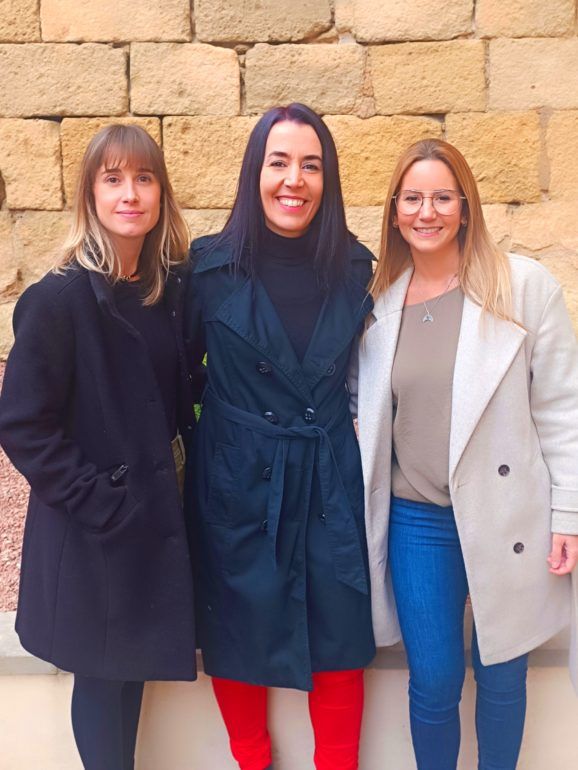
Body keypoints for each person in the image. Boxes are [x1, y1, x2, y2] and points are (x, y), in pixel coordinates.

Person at [350, 137, 578, 769]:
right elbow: (361, 402)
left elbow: (562, 408)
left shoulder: (522, 286)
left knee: (502, 669)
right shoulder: (378, 305)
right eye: (412, 198)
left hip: (509, 513)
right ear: (395, 210)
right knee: (434, 679)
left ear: (465, 206)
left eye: (442, 198)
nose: (427, 212)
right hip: (418, 519)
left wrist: (568, 515)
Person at [0, 124, 197, 770]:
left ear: (162, 194)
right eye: (112, 180)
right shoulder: (57, 300)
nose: (130, 194)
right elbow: (23, 423)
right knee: (102, 677)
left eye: (144, 178)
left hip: (151, 518)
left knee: (129, 670)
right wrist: (100, 501)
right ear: (90, 195)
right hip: (96, 528)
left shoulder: (166, 292)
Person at [185, 103, 376, 770]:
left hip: (327, 476)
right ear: (255, 171)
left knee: (340, 635)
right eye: (280, 162)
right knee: (236, 631)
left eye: (311, 165)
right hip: (237, 480)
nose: (294, 180)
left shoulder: (356, 269)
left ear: (328, 179)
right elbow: (175, 375)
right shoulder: (206, 270)